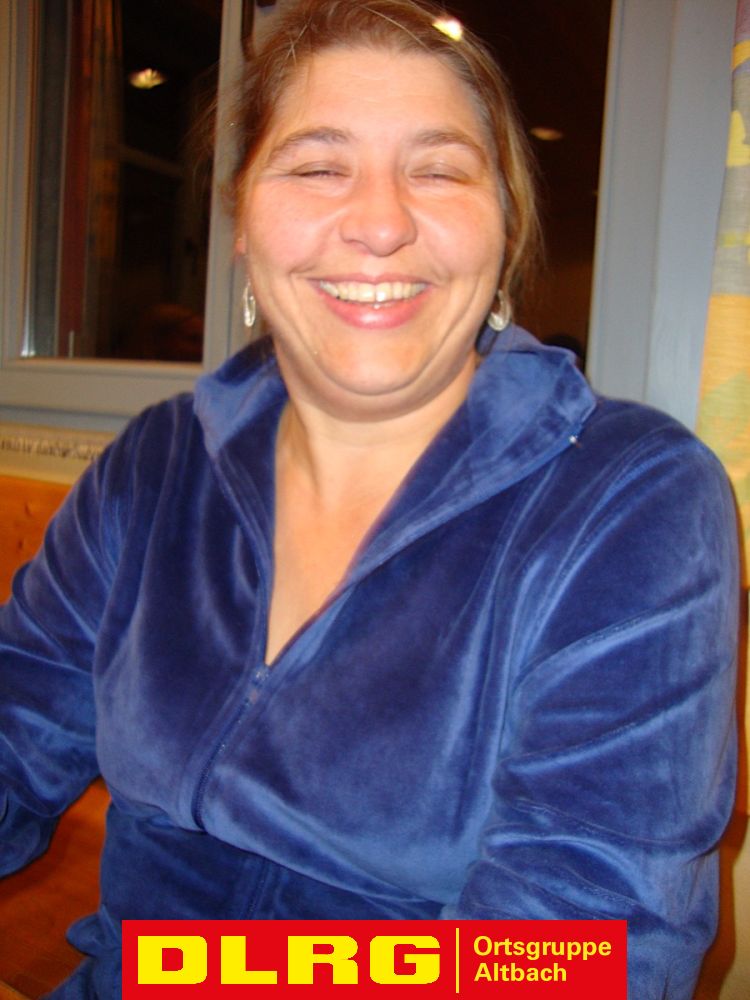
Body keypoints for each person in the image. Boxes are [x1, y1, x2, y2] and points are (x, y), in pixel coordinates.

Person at [0, 1, 739, 996]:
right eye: (317, 167)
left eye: (439, 170)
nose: (381, 222)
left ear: (504, 226)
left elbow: (579, 957)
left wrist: (185, 972)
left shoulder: (630, 498)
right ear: (243, 223)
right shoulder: (157, 462)